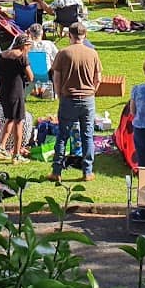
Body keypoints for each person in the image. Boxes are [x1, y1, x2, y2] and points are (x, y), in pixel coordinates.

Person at [49, 28, 103, 182]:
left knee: (62, 136)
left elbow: (56, 78)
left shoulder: (63, 53)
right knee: (87, 136)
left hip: (68, 98)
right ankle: (87, 172)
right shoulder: (92, 53)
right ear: (85, 35)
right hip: (87, 99)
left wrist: (59, 94)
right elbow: (98, 78)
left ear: (69, 35)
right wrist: (92, 91)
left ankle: (56, 171)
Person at [0, 38, 33, 161]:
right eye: (29, 46)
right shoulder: (22, 57)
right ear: (24, 45)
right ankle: (16, 154)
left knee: (9, 118)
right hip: (16, 92)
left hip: (3, 91)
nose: (29, 49)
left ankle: (1, 148)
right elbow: (31, 77)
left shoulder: (2, 55)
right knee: (19, 122)